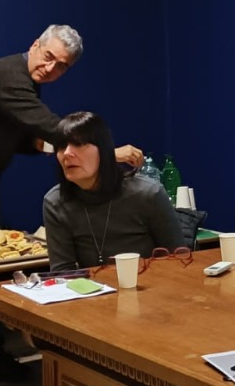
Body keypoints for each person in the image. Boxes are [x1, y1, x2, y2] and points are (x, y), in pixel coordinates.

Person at [0, 25, 142, 239]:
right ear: (35, 45)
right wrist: (105, 152)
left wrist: (37, 144)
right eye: (48, 57)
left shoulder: (27, 81)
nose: (50, 68)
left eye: (61, 66)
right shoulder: (9, 76)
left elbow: (15, 131)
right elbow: (49, 125)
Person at [43, 111, 183, 270]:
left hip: (153, 282)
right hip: (92, 285)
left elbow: (178, 259)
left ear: (104, 150)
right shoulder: (55, 202)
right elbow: (62, 273)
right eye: (62, 147)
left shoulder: (148, 194)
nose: (67, 153)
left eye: (79, 144)